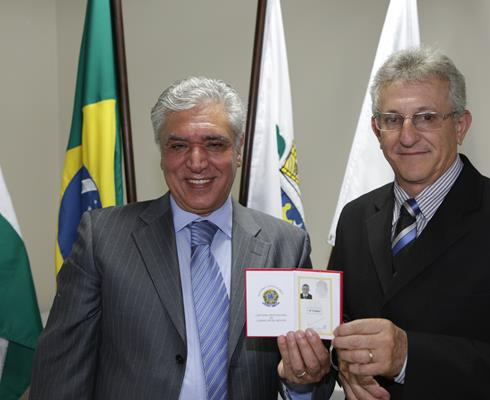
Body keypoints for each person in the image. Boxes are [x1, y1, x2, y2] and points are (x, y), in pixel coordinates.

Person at [30, 76, 334, 399]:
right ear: (162, 154)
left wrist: (301, 382)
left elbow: (315, 381)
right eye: (178, 146)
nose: (197, 162)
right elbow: (61, 372)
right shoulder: (102, 239)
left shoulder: (286, 245)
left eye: (214, 144)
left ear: (239, 150)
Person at [330, 48, 490, 399]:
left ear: (460, 125)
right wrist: (339, 362)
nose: (407, 136)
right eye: (392, 119)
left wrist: (408, 356)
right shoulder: (354, 218)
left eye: (427, 117)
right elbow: (338, 328)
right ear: (376, 129)